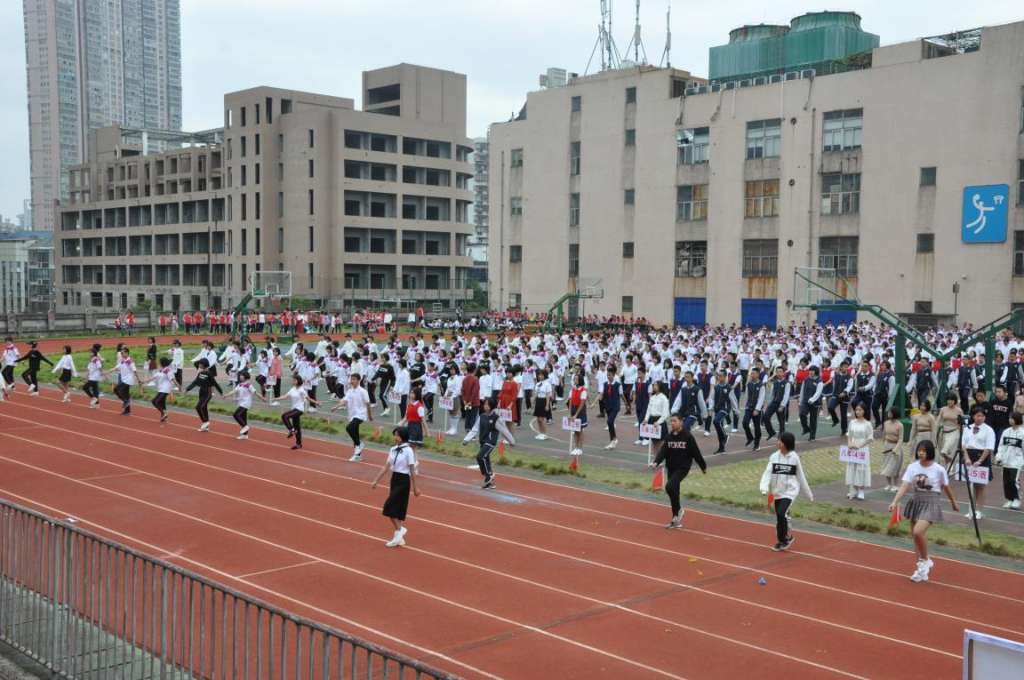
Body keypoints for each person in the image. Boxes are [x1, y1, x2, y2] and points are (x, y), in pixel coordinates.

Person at [889, 441, 958, 582]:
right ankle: (921, 570)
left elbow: (946, 487)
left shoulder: (939, 469)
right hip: (916, 500)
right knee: (915, 538)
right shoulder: (912, 467)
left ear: (930, 452)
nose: (921, 453)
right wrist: (894, 501)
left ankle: (926, 560)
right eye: (919, 450)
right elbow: (904, 485)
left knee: (918, 531)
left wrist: (953, 502)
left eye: (924, 450)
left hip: (931, 502)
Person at [759, 431, 813, 551]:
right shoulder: (774, 457)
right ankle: (784, 536)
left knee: (781, 513)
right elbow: (767, 473)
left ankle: (783, 540)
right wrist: (763, 487)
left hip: (790, 492)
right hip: (777, 492)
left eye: (780, 441)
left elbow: (801, 476)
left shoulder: (794, 458)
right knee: (780, 516)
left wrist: (808, 493)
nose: (778, 442)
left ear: (786, 443)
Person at [653, 413, 707, 528]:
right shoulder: (669, 436)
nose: (672, 423)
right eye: (671, 421)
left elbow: (696, 452)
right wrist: (656, 461)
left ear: (681, 422)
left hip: (683, 468)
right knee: (674, 492)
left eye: (675, 421)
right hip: (671, 467)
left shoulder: (687, 436)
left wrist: (703, 466)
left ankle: (679, 510)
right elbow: (663, 451)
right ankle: (675, 519)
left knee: (669, 487)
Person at [370, 426, 420, 547]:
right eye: (395, 435)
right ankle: (399, 536)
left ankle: (400, 531)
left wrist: (415, 487)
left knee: (389, 507)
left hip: (403, 481)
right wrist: (376, 480)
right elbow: (386, 467)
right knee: (395, 509)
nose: (395, 437)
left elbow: (412, 470)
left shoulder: (408, 451)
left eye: (397, 435)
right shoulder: (392, 449)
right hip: (394, 479)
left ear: (402, 437)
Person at [961, 407, 995, 519]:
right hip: (969, 457)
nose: (979, 418)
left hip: (982, 457)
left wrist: (980, 461)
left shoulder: (989, 430)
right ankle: (971, 509)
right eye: (977, 415)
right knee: (971, 484)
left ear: (984, 417)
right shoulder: (967, 428)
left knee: (981, 486)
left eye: (982, 416)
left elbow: (989, 448)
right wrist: (966, 458)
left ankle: (979, 511)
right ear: (973, 416)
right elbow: (963, 444)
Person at [334, 373, 372, 461]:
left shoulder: (363, 391)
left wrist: (370, 416)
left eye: (354, 379)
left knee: (349, 428)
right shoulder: (350, 391)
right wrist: (336, 407)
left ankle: (359, 444)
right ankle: (358, 455)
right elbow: (344, 401)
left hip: (361, 415)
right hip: (352, 414)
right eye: (351, 379)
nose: (352, 381)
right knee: (355, 432)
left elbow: (368, 404)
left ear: (359, 380)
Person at [223, 370, 265, 439]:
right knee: (243, 418)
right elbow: (234, 391)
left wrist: (262, 398)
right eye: (240, 375)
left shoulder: (249, 385)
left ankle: (245, 426)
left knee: (236, 414)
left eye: (241, 375)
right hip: (240, 402)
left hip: (246, 403)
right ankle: (245, 435)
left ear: (245, 377)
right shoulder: (239, 384)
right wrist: (226, 395)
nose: (240, 376)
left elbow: (255, 393)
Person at [184, 358, 223, 431]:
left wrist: (221, 393)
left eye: (200, 363)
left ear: (204, 364)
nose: (199, 365)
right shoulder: (200, 373)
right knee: (199, 407)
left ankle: (206, 422)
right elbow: (195, 382)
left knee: (202, 406)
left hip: (208, 392)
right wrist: (187, 389)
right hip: (201, 391)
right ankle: (205, 424)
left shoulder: (209, 373)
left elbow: (215, 384)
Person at [995, 412, 1024, 509]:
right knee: (1006, 482)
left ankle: (1016, 499)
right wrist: (999, 457)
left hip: (1016, 461)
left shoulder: (1022, 433)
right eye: (1009, 418)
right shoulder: (1006, 431)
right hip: (1005, 461)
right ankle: (1009, 499)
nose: (1010, 420)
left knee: (1013, 480)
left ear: (1017, 419)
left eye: (1012, 418)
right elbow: (1001, 446)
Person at [282, 375, 317, 450]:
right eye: (293, 380)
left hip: (299, 409)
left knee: (285, 416)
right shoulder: (293, 389)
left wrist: (316, 403)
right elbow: (285, 396)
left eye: (294, 380)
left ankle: (291, 430)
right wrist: (276, 398)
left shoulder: (302, 390)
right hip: (294, 409)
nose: (293, 381)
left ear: (298, 381)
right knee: (297, 427)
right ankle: (298, 444)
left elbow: (308, 398)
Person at [846, 403, 873, 500]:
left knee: (861, 468)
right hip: (853, 447)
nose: (858, 412)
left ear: (864, 411)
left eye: (860, 410)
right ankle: (852, 490)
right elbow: (849, 435)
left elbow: (870, 438)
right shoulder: (852, 422)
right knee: (852, 467)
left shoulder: (867, 424)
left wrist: (860, 446)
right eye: (856, 410)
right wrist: (849, 444)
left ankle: (861, 490)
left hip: (862, 448)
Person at [476, 397, 502, 489]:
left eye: (487, 404)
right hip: (483, 441)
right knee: (486, 460)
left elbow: (503, 429)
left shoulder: (496, 417)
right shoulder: (482, 416)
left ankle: (488, 475)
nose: (485, 406)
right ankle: (490, 482)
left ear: (491, 406)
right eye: (484, 404)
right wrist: (467, 439)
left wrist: (510, 439)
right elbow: (475, 428)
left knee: (480, 457)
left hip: (490, 442)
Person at [108, 348, 142, 415]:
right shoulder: (123, 361)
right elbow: (117, 367)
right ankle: (127, 411)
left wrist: (138, 380)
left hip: (129, 380)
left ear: (127, 353)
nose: (121, 354)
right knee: (125, 395)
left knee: (116, 389)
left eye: (122, 353)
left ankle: (126, 401)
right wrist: (108, 371)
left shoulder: (130, 361)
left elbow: (134, 370)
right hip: (124, 379)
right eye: (121, 353)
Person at [880, 407, 905, 492]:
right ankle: (889, 484)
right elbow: (884, 434)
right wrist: (884, 444)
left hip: (896, 447)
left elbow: (901, 439)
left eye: (890, 412)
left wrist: (896, 449)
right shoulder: (886, 423)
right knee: (886, 465)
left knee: (895, 467)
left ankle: (895, 485)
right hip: (887, 445)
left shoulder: (900, 425)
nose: (888, 414)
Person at [937, 394, 964, 465]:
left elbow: (962, 423)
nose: (950, 401)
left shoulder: (959, 410)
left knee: (945, 450)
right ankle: (947, 467)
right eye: (948, 400)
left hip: (954, 431)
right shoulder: (943, 409)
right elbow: (938, 420)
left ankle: (951, 464)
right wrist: (937, 427)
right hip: (944, 432)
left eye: (951, 400)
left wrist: (962, 436)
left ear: (954, 401)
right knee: (943, 451)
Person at [147, 356, 176, 422]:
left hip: (166, 389)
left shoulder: (167, 370)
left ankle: (164, 413)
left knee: (155, 401)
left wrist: (179, 386)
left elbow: (172, 379)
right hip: (161, 389)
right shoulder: (161, 370)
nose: (159, 363)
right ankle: (164, 416)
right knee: (162, 403)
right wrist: (143, 382)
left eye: (159, 362)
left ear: (162, 363)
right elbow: (153, 377)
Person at [567, 372, 589, 456]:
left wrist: (576, 414)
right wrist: (570, 413)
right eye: (574, 379)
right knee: (575, 430)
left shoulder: (583, 390)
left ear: (580, 380)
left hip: (580, 411)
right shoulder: (572, 389)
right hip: (573, 409)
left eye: (576, 379)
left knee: (580, 430)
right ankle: (576, 447)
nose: (574, 380)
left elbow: (582, 403)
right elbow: (570, 401)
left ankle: (580, 448)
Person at [602, 365, 621, 450]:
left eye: (610, 375)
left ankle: (613, 440)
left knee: (609, 421)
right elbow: (603, 395)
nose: (608, 376)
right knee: (610, 423)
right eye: (607, 375)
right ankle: (613, 440)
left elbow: (621, 395)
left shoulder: (617, 384)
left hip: (615, 406)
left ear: (613, 375)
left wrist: (627, 405)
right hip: (608, 406)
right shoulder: (605, 384)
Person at [532, 368, 552, 440]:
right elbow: (535, 393)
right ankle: (540, 433)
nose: (540, 376)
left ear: (544, 376)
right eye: (539, 375)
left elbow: (548, 395)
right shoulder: (537, 384)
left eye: (541, 375)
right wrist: (533, 401)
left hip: (544, 401)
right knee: (538, 419)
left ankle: (544, 433)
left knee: (541, 419)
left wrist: (547, 405)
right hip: (538, 401)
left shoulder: (547, 384)